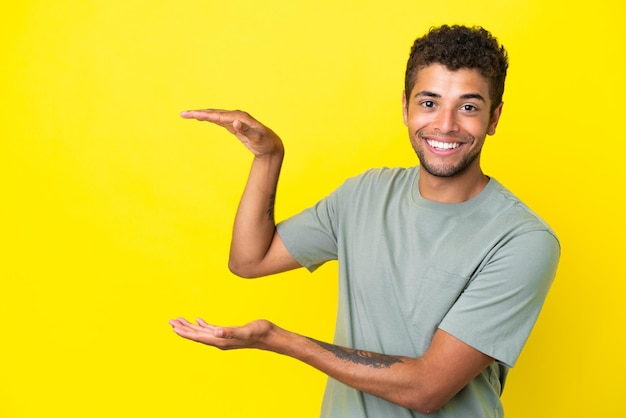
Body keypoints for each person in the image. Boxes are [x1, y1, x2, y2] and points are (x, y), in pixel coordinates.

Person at [169, 25, 560, 417]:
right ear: (406, 107)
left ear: (494, 117)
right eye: (429, 103)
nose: (446, 124)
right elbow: (249, 260)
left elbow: (427, 388)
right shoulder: (364, 194)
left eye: (469, 107)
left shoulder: (522, 240)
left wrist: (279, 339)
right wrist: (268, 157)